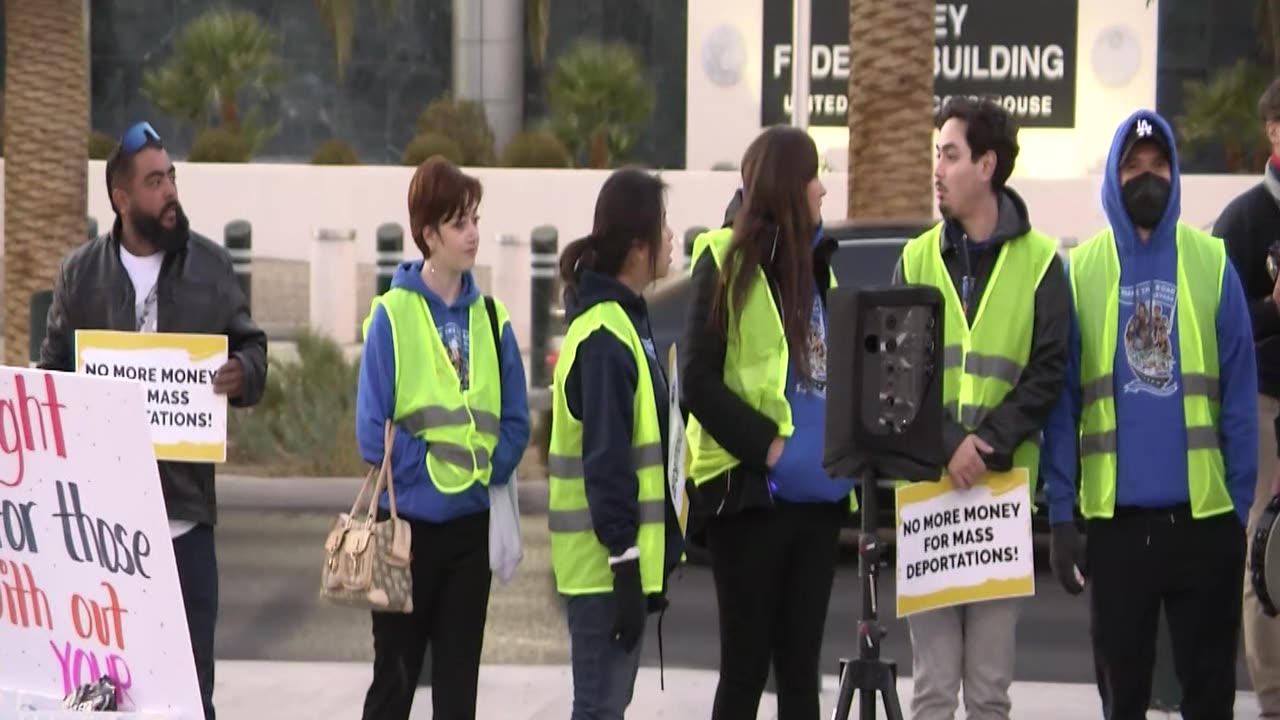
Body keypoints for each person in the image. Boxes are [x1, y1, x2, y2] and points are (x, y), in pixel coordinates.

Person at [38, 120, 269, 720]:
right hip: (101, 533)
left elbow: (253, 346)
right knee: (103, 696)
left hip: (184, 524)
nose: (169, 192)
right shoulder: (79, 275)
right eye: (154, 181)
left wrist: (244, 371)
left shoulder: (212, 268)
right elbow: (51, 377)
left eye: (171, 178)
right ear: (120, 197)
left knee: (191, 694)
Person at [1041, 109, 1257, 719]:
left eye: (1158, 165)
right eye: (1133, 167)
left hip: (1203, 522)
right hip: (1117, 529)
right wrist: (1062, 515)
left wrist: (1236, 511)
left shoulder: (1210, 262)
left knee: (1209, 696)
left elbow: (1239, 396)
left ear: (1176, 172)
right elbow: (1061, 407)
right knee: (1123, 699)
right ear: (1112, 177)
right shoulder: (1079, 271)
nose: (1147, 177)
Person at [894, 97, 1070, 719]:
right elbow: (897, 372)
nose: (936, 169)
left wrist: (985, 445)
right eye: (935, 155)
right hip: (930, 491)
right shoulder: (915, 258)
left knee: (989, 693)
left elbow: (1048, 373)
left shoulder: (1044, 262)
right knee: (934, 691)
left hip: (1000, 496)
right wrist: (949, 444)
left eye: (949, 154)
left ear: (988, 165)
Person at [681, 125, 855, 720]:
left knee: (801, 677)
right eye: (814, 176)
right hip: (751, 498)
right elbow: (697, 381)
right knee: (746, 671)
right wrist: (770, 449)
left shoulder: (821, 266)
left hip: (817, 501)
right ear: (786, 184)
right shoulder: (724, 260)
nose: (823, 190)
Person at [356, 156, 530, 720]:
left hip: (469, 530)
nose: (473, 233)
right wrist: (429, 469)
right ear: (429, 234)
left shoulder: (493, 318)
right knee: (395, 683)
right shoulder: (391, 315)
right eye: (460, 222)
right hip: (406, 528)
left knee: (459, 691)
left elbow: (516, 422)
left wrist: (487, 469)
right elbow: (369, 432)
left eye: (475, 218)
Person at [547, 167, 684, 719]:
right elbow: (606, 463)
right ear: (637, 247)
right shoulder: (606, 335)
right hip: (604, 573)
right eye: (663, 228)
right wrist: (626, 565)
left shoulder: (624, 323)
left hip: (611, 570)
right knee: (600, 709)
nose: (672, 239)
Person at [1212, 76, 1280, 717]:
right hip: (1264, 404)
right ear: (1273, 131)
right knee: (1268, 548)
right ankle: (1272, 696)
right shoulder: (1243, 219)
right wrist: (1271, 307)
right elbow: (1217, 323)